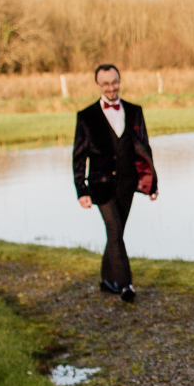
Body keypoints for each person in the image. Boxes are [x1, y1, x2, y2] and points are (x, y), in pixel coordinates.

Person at [73, 63, 158, 302]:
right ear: (98, 85)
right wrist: (81, 190)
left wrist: (152, 184)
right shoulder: (86, 117)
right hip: (100, 184)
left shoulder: (134, 111)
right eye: (106, 84)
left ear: (119, 81)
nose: (111, 88)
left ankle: (106, 279)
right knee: (114, 230)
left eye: (115, 82)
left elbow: (144, 149)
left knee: (116, 233)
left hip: (128, 183)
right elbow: (79, 156)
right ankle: (125, 284)